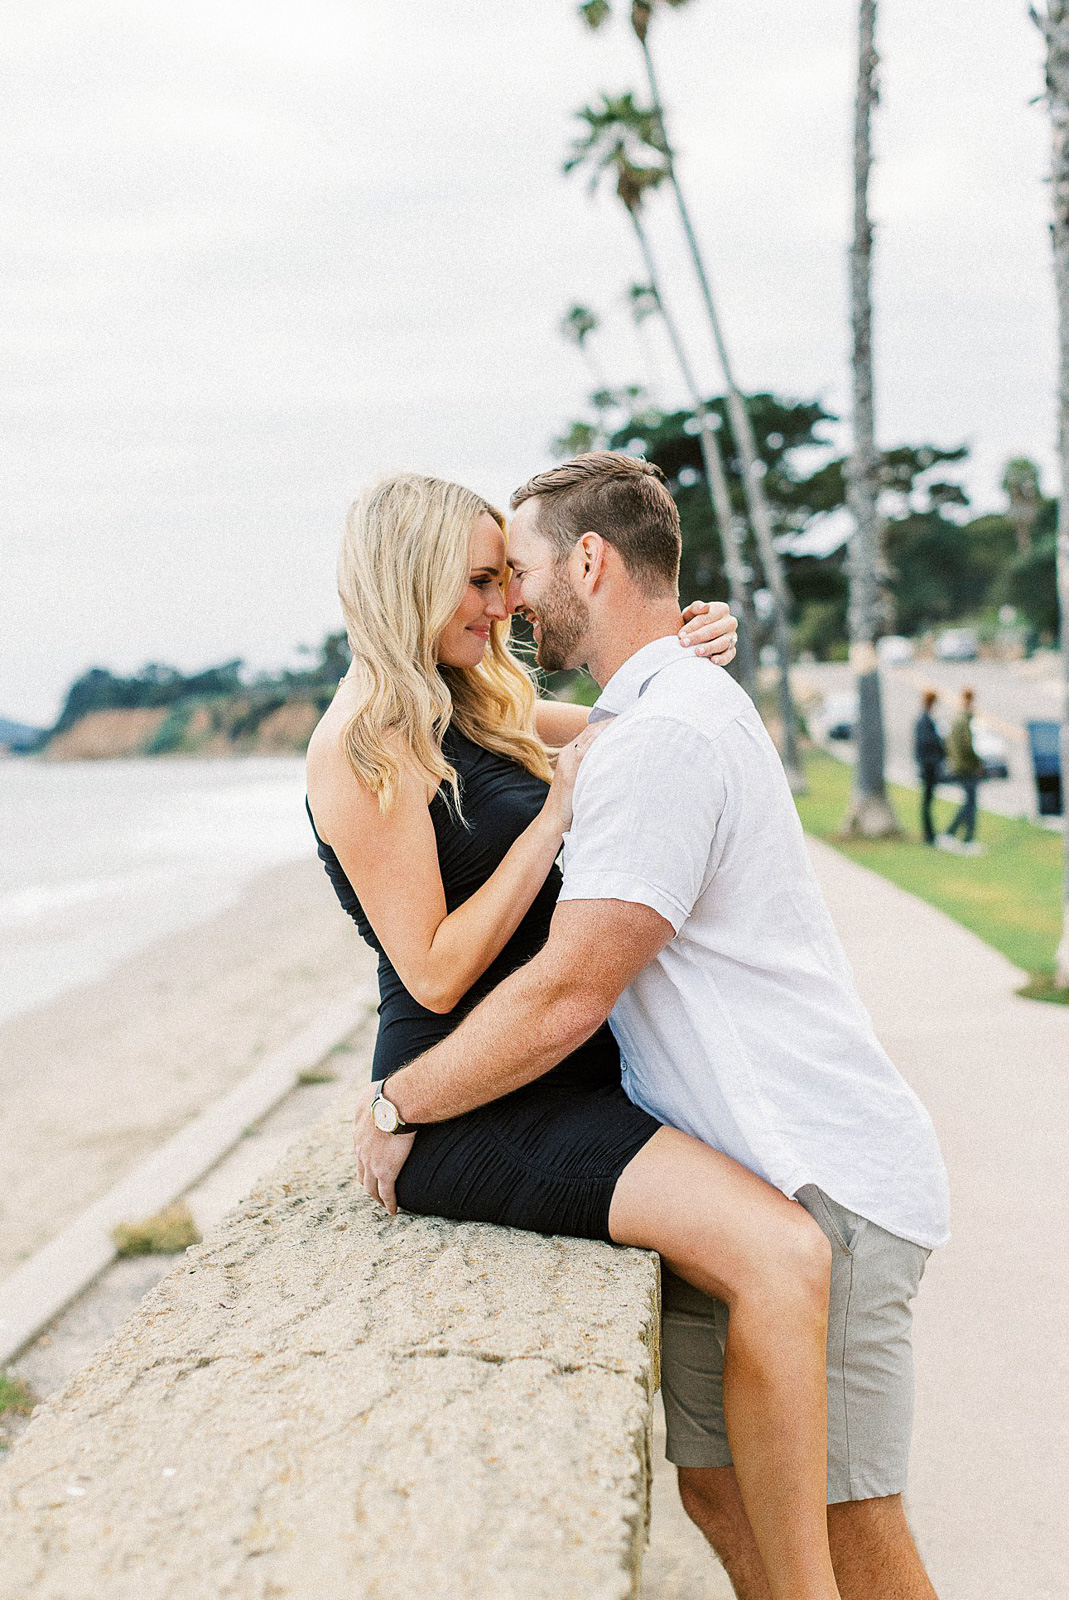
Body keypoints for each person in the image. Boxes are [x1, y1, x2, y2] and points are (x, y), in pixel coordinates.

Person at [356, 454, 950, 1600]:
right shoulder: (642, 709)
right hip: (729, 1163)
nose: (512, 600)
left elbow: (569, 992)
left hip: (815, 1172)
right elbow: (500, 720)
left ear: (588, 559)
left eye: (518, 570)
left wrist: (398, 1104)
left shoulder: (666, 734)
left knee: (850, 1529)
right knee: (724, 1497)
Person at [939, 688, 984, 853]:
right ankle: (964, 838)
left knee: (968, 803)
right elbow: (966, 747)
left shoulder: (958, 719)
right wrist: (977, 763)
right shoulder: (962, 721)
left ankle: (954, 835)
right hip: (966, 768)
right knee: (970, 804)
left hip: (960, 766)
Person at [913, 689, 945, 845]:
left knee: (928, 802)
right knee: (926, 802)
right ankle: (928, 835)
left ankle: (930, 833)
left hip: (929, 765)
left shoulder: (927, 720)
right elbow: (926, 744)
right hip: (928, 767)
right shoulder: (924, 721)